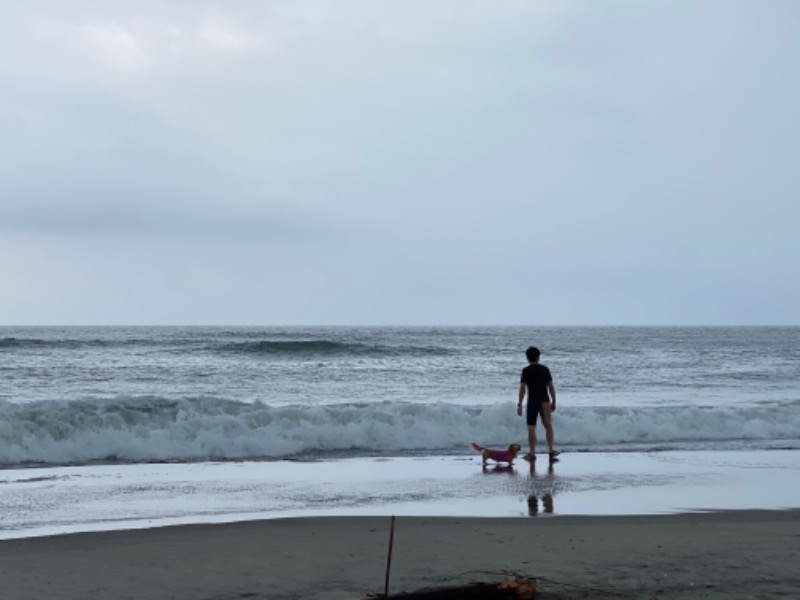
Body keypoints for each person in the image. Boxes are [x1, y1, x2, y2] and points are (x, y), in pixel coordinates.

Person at [517, 346, 559, 460]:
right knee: (548, 425)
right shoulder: (545, 369)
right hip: (544, 400)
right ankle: (550, 450)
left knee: (531, 427)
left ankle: (532, 453)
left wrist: (520, 404)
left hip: (532, 402)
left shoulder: (526, 371)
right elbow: (551, 387)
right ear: (538, 357)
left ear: (527, 358)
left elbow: (522, 389)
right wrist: (554, 401)